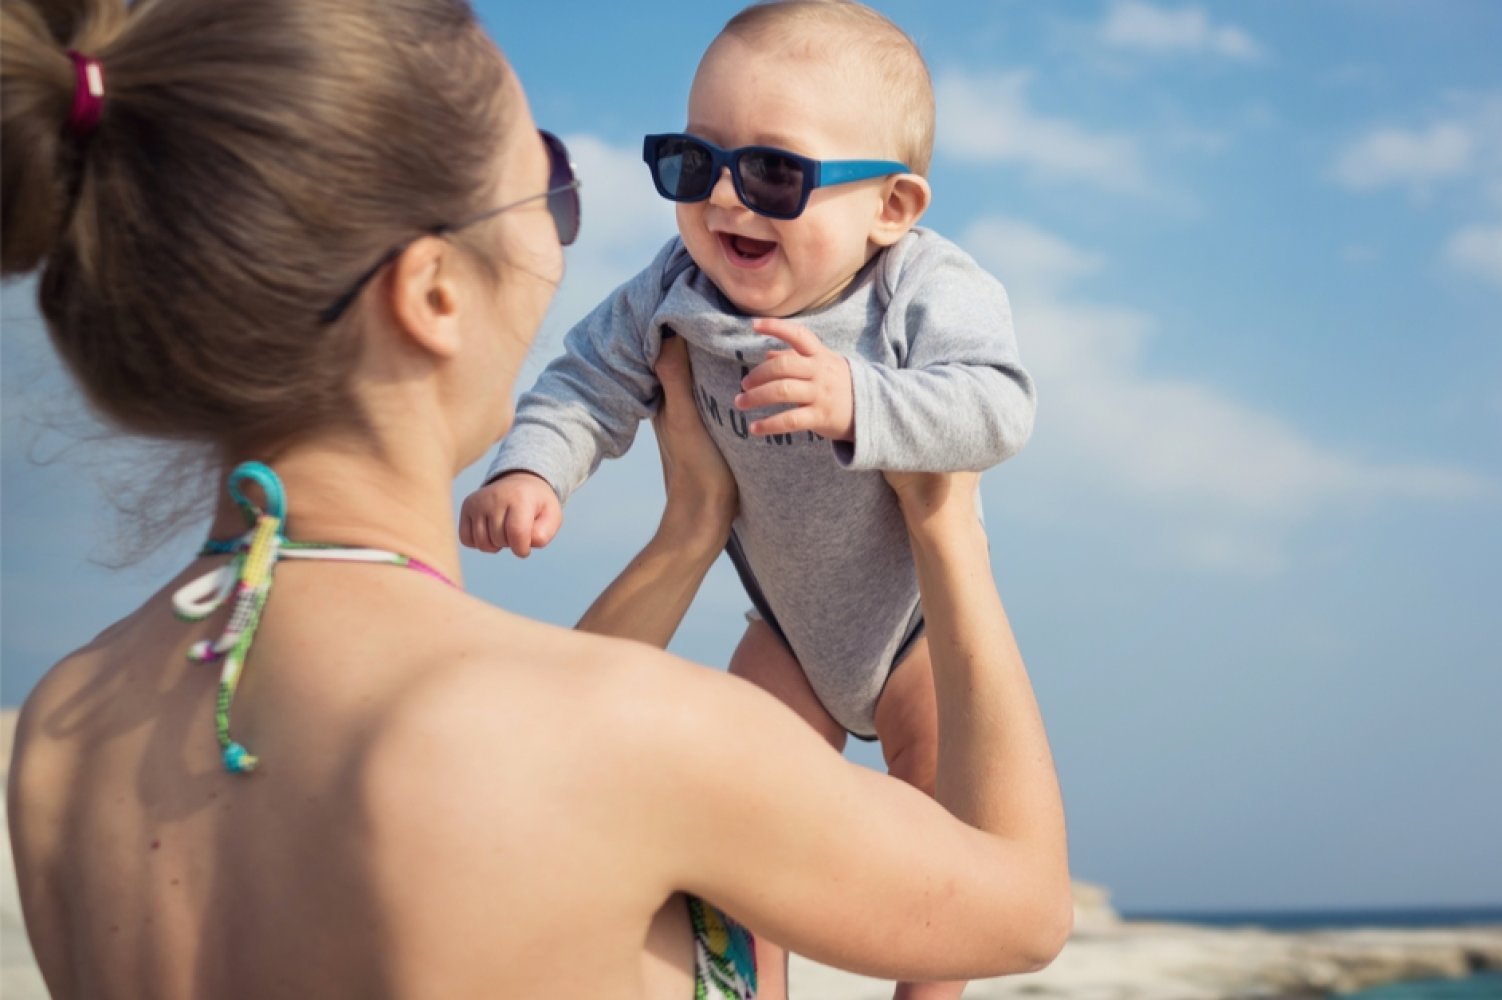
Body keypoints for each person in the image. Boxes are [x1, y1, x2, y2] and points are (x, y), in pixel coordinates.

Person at [0, 0, 1070, 997]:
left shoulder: (60, 731)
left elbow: (557, 707)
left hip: (864, 621)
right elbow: (1021, 913)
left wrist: (690, 530)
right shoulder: (627, 733)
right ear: (430, 291)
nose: (716, 201)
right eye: (555, 185)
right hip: (811, 621)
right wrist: (948, 527)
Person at [460, 7, 1033, 994]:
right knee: (741, 832)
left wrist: (862, 398)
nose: (725, 198)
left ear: (890, 206)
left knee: (946, 840)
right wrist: (530, 469)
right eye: (693, 163)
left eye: (773, 173)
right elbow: (585, 380)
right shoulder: (675, 289)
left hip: (912, 630)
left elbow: (997, 405)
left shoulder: (921, 289)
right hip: (786, 629)